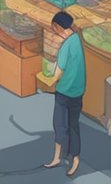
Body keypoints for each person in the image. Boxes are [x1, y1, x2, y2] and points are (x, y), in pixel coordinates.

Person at [43, 11, 84, 175]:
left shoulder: (66, 45)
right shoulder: (77, 40)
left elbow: (59, 70)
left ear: (57, 27)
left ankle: (57, 157)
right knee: (73, 125)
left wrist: (49, 81)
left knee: (59, 123)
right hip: (78, 91)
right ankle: (75, 159)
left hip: (64, 91)